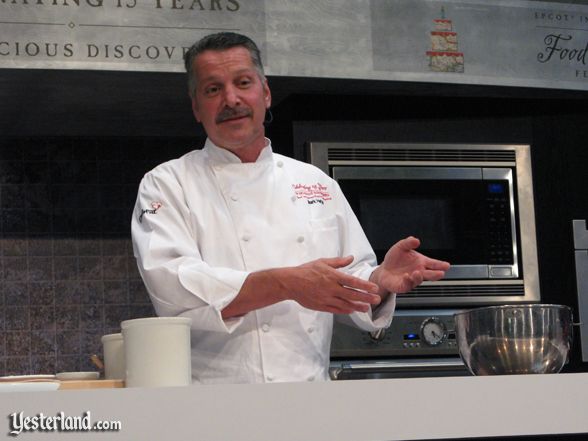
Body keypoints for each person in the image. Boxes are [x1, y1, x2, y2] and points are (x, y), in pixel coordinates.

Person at [131, 32, 450, 384]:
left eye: (243, 83)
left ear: (265, 93)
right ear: (196, 107)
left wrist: (380, 282)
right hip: (216, 408)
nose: (231, 99)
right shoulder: (167, 183)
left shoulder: (315, 182)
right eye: (212, 89)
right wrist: (287, 284)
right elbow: (174, 287)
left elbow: (351, 279)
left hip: (308, 400)